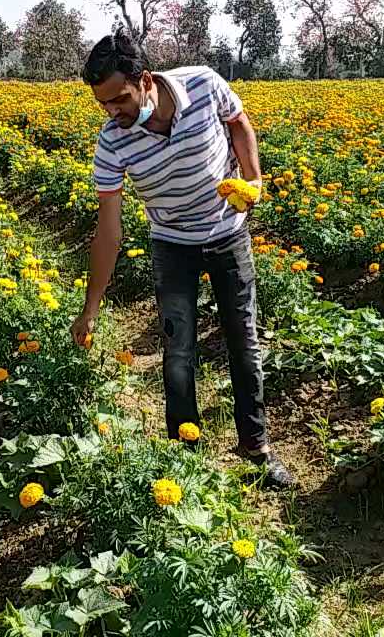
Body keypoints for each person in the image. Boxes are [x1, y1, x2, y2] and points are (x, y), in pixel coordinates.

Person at [69, 32, 296, 489]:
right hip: (171, 244)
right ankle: (184, 460)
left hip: (228, 234)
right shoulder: (112, 143)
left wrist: (252, 181)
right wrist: (91, 307)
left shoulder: (204, 84)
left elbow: (239, 122)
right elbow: (109, 231)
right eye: (103, 105)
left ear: (146, 81)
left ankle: (256, 447)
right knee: (178, 350)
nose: (113, 112)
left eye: (120, 99)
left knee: (244, 343)